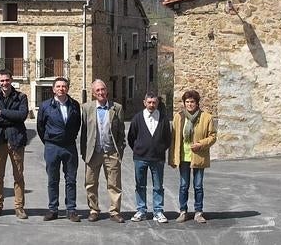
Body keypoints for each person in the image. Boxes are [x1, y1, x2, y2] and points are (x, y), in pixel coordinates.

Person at [80, 79, 126, 223]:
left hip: (111, 152)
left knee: (114, 184)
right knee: (90, 183)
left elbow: (121, 133)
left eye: (103, 89)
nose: (101, 92)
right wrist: (84, 153)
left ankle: (114, 211)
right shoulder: (87, 108)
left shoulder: (116, 108)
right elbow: (84, 133)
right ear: (93, 93)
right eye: (97, 90)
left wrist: (120, 152)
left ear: (107, 90)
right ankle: (94, 210)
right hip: (93, 153)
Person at [0, 69, 29, 219]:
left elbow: (22, 115)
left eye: (7, 80)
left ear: (11, 80)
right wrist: (12, 117)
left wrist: (2, 112)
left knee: (18, 176)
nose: (5, 83)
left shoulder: (21, 97)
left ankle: (19, 207)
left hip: (16, 140)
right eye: (2, 80)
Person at [37, 77, 82, 222]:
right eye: (58, 86)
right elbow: (40, 126)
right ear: (53, 89)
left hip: (69, 147)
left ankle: (71, 210)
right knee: (53, 179)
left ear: (67, 88)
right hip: (52, 147)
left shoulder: (74, 105)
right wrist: (49, 140)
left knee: (71, 179)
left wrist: (70, 137)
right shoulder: (45, 106)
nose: (61, 89)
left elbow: (77, 124)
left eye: (64, 86)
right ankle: (53, 209)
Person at [168, 90, 217, 224]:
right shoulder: (178, 117)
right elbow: (173, 139)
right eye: (187, 102)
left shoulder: (206, 117)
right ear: (184, 103)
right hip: (183, 156)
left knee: (198, 186)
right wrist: (172, 158)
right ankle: (183, 211)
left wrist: (201, 144)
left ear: (197, 103)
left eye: (192, 102)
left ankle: (198, 212)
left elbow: (212, 136)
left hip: (198, 156)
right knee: (183, 185)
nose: (190, 104)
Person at [127, 91, 171, 223]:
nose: (151, 105)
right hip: (140, 158)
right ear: (144, 102)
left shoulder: (163, 118)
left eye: (154, 102)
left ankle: (158, 211)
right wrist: (138, 149)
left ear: (157, 103)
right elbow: (131, 137)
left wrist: (160, 149)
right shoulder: (137, 118)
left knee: (158, 186)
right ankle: (141, 210)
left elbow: (168, 138)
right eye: (149, 102)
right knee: (140, 185)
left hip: (157, 159)